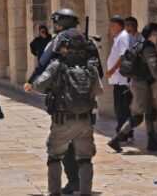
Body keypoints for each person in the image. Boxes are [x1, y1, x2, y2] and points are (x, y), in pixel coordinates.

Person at [31, 29, 103, 196]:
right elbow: (98, 90)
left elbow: (38, 86)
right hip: (85, 121)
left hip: (62, 120)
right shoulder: (90, 67)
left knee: (54, 156)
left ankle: (55, 193)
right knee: (85, 159)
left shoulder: (57, 65)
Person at [24, 8, 84, 194]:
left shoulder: (57, 41)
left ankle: (73, 181)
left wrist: (31, 81)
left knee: (60, 144)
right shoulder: (86, 41)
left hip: (63, 102)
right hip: (86, 101)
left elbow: (43, 63)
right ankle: (83, 180)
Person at [108, 23, 157, 152]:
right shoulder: (149, 49)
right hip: (141, 85)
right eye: (155, 34)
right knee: (137, 115)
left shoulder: (140, 45)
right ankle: (116, 140)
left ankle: (152, 142)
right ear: (150, 34)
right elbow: (155, 72)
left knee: (151, 112)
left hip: (140, 83)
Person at [106, 16, 134, 141]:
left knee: (121, 108)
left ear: (117, 24)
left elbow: (123, 56)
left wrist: (112, 70)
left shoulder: (123, 37)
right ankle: (126, 134)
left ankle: (122, 135)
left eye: (111, 25)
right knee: (122, 108)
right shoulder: (120, 37)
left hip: (122, 80)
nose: (110, 28)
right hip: (119, 79)